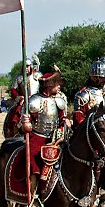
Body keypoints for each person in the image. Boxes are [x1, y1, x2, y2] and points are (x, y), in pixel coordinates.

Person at [20, 69, 67, 199]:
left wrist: (65, 123)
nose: (59, 87)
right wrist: (26, 123)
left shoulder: (59, 100)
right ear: (50, 86)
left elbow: (62, 117)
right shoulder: (34, 101)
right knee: (34, 165)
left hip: (55, 138)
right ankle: (33, 193)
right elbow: (23, 121)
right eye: (57, 84)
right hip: (37, 138)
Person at [5, 55, 42, 137]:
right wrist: (19, 97)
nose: (26, 68)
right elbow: (13, 89)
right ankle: (14, 131)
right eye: (25, 66)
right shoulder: (19, 77)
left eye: (28, 66)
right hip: (24, 100)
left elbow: (43, 86)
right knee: (16, 113)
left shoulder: (37, 76)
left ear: (31, 66)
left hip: (37, 99)